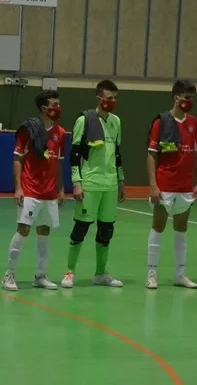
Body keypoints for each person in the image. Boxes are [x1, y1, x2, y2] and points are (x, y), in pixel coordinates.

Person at [62, 79, 125, 288]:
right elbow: (74, 154)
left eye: (115, 98)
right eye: (109, 98)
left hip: (110, 184)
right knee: (80, 229)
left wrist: (121, 180)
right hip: (90, 183)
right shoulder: (85, 120)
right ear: (99, 99)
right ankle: (70, 272)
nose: (112, 101)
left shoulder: (116, 121)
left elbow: (117, 154)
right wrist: (76, 182)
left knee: (106, 230)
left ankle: (100, 274)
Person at [2, 90, 66, 292]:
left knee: (44, 231)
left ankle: (40, 275)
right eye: (54, 105)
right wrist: (18, 188)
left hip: (50, 192)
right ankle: (9, 274)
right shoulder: (28, 130)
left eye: (58, 104)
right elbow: (18, 159)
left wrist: (61, 189)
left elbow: (58, 163)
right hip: (30, 189)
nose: (58, 108)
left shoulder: (60, 133)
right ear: (44, 109)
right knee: (23, 230)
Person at [145, 80, 197, 289]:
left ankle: (180, 275)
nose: (190, 101)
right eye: (187, 97)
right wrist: (153, 185)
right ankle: (151, 274)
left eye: (193, 98)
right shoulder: (161, 122)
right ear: (177, 98)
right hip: (165, 185)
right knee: (158, 227)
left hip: (185, 187)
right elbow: (151, 155)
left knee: (181, 229)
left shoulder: (194, 123)